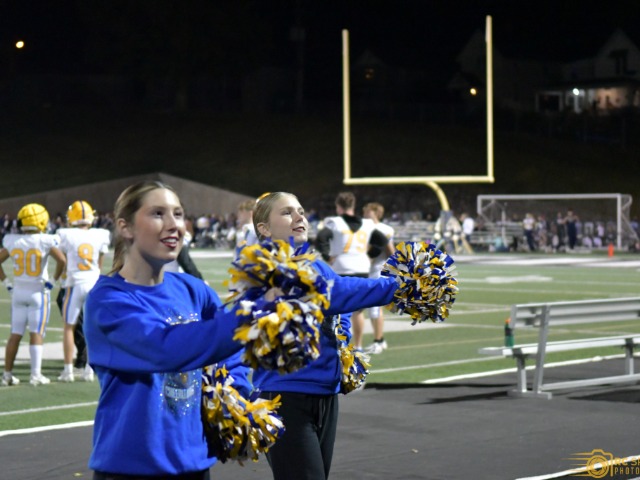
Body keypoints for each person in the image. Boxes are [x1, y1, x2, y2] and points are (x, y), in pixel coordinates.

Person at [83, 181, 268, 478]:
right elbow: (165, 348)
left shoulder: (193, 290)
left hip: (195, 463)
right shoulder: (108, 301)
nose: (174, 225)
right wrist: (254, 313)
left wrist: (234, 394)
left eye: (178, 214)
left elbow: (229, 352)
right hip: (130, 469)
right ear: (125, 227)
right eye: (158, 214)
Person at [252, 192, 400, 480]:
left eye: (300, 210)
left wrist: (343, 348)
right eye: (287, 212)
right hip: (284, 397)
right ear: (264, 229)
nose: (299, 217)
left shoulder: (315, 264)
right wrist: (398, 286)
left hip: (324, 396)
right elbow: (335, 293)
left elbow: (339, 309)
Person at [315, 192, 393, 351]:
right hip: (362, 267)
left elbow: (321, 238)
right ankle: (357, 345)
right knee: (357, 311)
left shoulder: (334, 222)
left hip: (341, 267)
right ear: (353, 206)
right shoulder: (367, 224)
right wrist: (370, 255)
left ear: (338, 206)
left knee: (337, 309)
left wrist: (327, 256)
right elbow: (382, 241)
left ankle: (340, 344)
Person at [0, 203, 65, 386]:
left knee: (15, 333)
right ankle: (35, 375)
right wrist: (53, 280)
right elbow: (62, 260)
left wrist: (6, 282)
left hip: (18, 291)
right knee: (36, 333)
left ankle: (7, 375)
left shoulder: (13, 241)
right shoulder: (45, 240)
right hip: (38, 292)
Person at [57, 200, 111, 383]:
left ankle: (68, 371)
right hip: (93, 283)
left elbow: (63, 260)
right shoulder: (100, 234)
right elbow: (100, 263)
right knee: (92, 327)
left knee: (69, 327)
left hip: (75, 283)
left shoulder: (65, 234)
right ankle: (89, 369)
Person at [361, 202, 394, 354]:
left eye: (368, 211)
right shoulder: (364, 227)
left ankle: (378, 341)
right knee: (371, 308)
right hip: (367, 269)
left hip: (378, 269)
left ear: (376, 212)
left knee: (375, 307)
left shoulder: (384, 229)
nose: (364, 214)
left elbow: (390, 252)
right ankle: (380, 340)